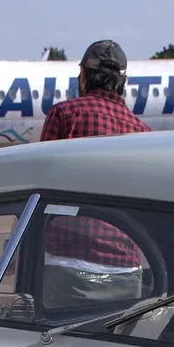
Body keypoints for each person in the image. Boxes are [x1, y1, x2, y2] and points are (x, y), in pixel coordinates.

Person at [38, 40, 152, 309]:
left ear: (84, 76)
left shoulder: (64, 115)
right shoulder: (142, 132)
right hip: (125, 266)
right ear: (124, 81)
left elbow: (40, 187)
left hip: (68, 262)